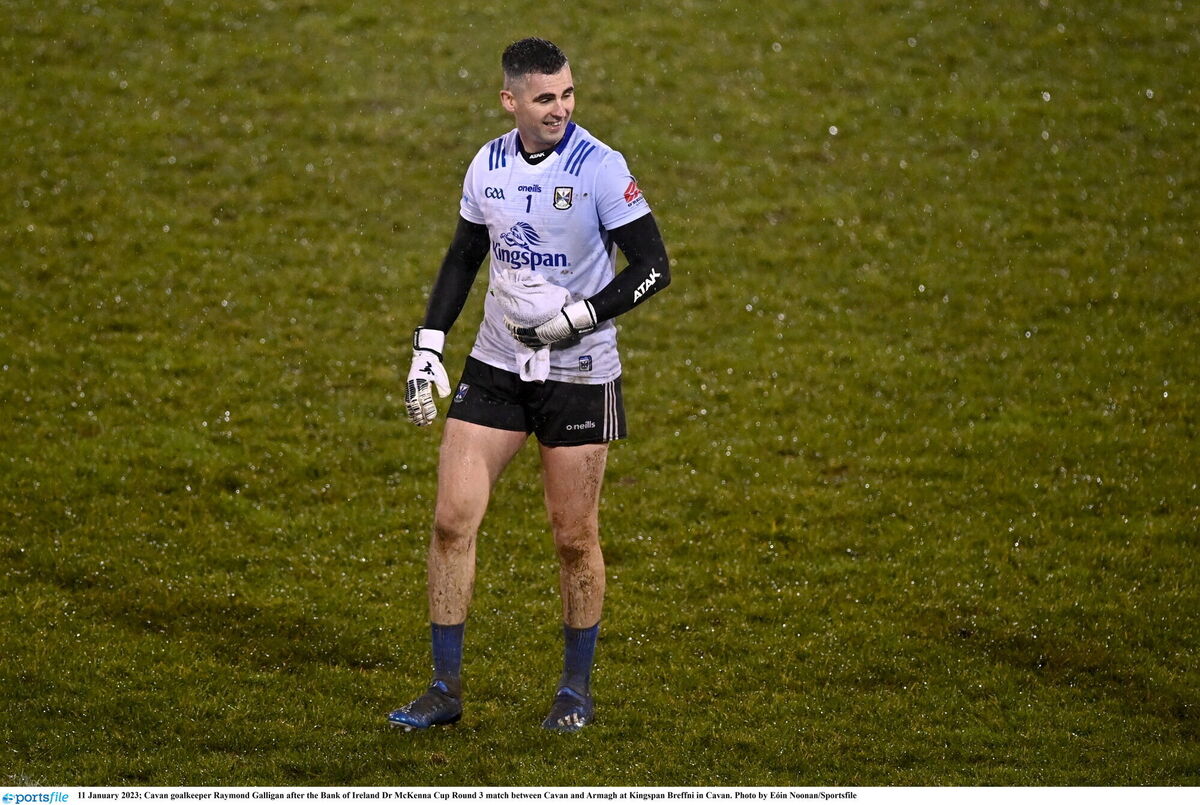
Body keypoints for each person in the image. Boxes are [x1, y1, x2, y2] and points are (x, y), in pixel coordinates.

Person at [387, 37, 670, 733]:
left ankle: (574, 690)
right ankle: (444, 686)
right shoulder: (488, 164)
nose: (561, 109)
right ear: (510, 100)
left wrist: (582, 315)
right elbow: (463, 256)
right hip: (498, 362)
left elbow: (654, 265)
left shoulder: (601, 168)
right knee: (452, 517)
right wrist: (428, 347)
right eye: (545, 98)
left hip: (579, 372)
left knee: (574, 536)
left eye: (568, 94)